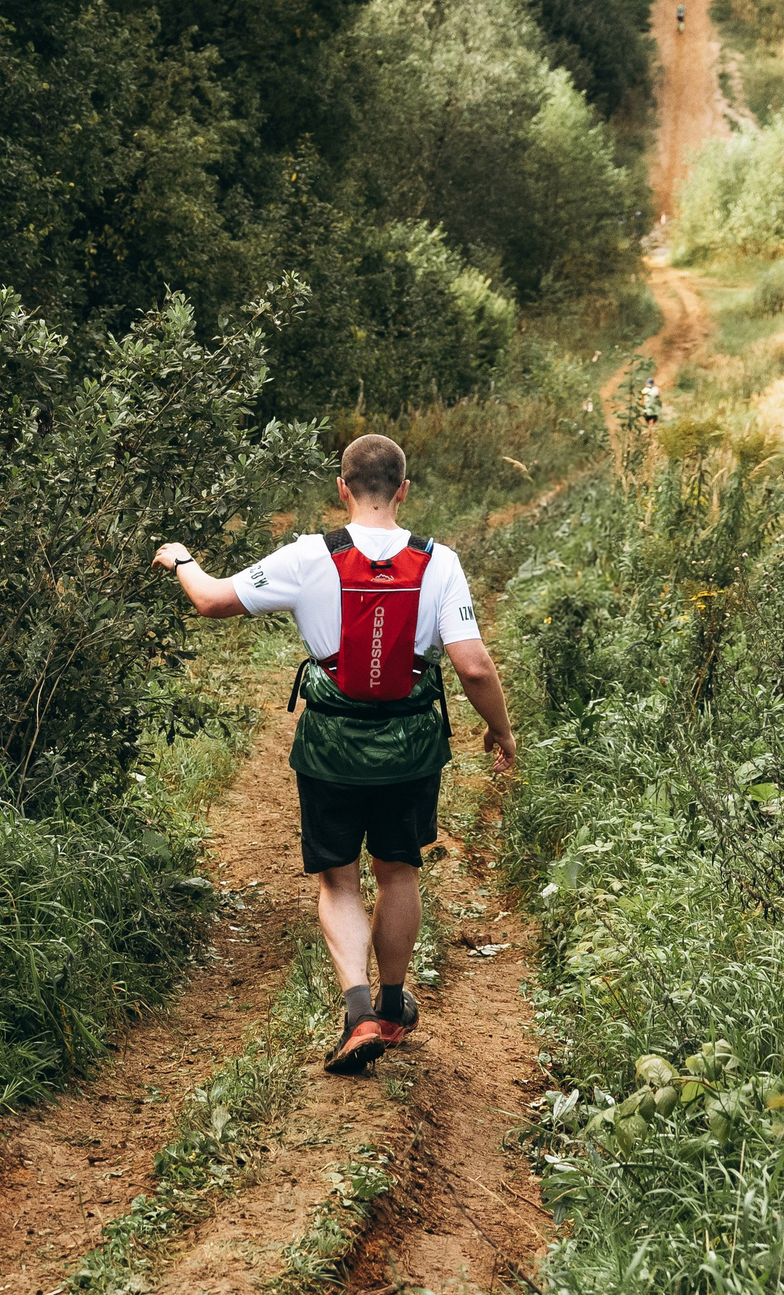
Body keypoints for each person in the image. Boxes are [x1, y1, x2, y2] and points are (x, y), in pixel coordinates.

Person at [154, 435, 517, 1076]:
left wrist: (181, 558)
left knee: (339, 878)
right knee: (399, 868)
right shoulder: (441, 562)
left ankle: (357, 1012)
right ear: (403, 490)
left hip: (331, 745)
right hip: (410, 746)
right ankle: (395, 1002)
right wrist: (502, 732)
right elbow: (474, 668)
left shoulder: (307, 557)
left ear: (342, 488)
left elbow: (209, 600)